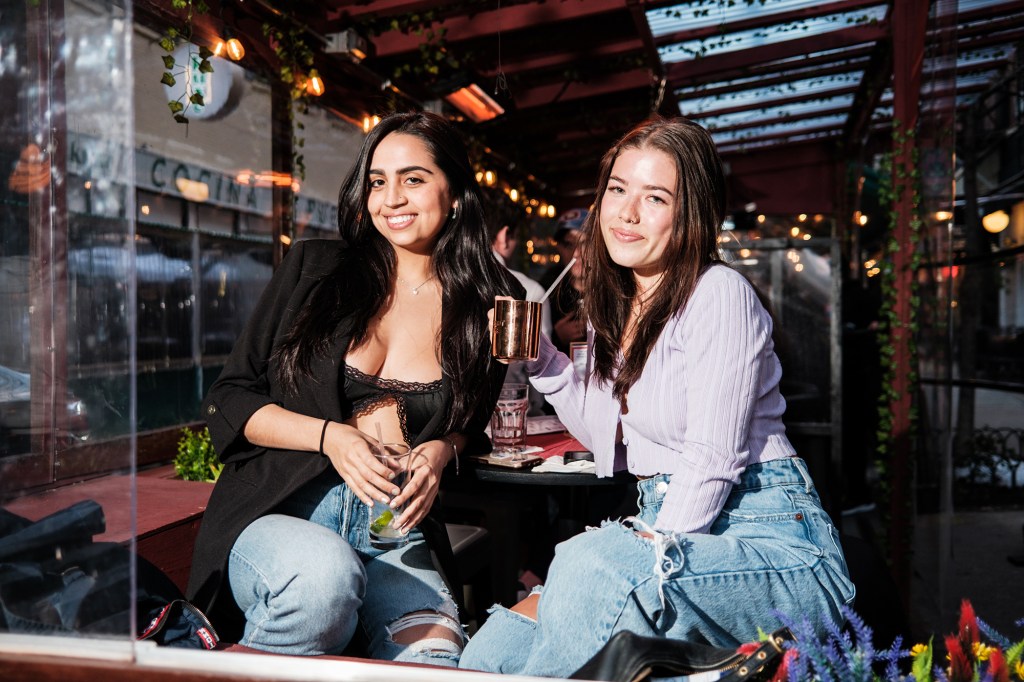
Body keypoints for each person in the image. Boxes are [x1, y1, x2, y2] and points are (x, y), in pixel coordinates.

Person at [459, 116, 855, 678]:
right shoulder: (617, 310)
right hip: (669, 527)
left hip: (770, 541)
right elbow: (603, 437)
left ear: (688, 213)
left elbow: (713, 460)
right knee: (490, 653)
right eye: (618, 190)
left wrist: (638, 556)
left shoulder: (719, 293)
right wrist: (541, 359)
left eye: (655, 197)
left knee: (587, 565)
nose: (626, 212)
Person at [187, 111, 521, 664]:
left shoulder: (486, 300)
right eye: (377, 181)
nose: (391, 198)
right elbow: (231, 396)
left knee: (434, 662)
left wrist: (440, 452)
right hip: (284, 514)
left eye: (413, 179)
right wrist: (332, 438)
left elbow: (469, 423)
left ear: (456, 193)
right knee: (323, 587)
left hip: (395, 528)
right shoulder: (315, 269)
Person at [486, 193, 552, 415]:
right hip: (515, 420)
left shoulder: (439, 281)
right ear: (504, 236)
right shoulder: (527, 290)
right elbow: (540, 377)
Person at [538, 208, 587, 355]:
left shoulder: (613, 287)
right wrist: (556, 337)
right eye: (568, 245)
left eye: (584, 243)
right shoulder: (547, 288)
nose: (576, 253)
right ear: (559, 247)